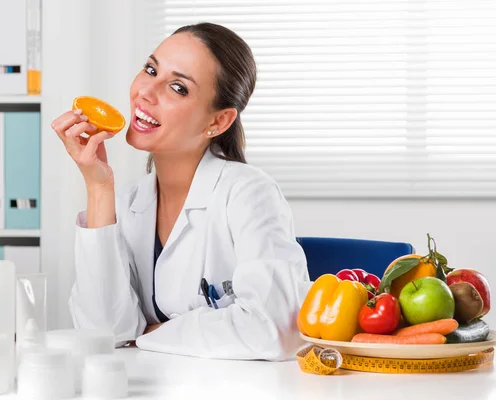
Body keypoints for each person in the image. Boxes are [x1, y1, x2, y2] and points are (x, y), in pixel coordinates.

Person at [51, 22, 311, 361]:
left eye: (177, 87)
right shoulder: (130, 202)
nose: (146, 92)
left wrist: (146, 334)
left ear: (217, 122)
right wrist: (99, 187)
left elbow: (276, 331)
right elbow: (104, 332)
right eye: (150, 69)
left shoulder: (248, 193)